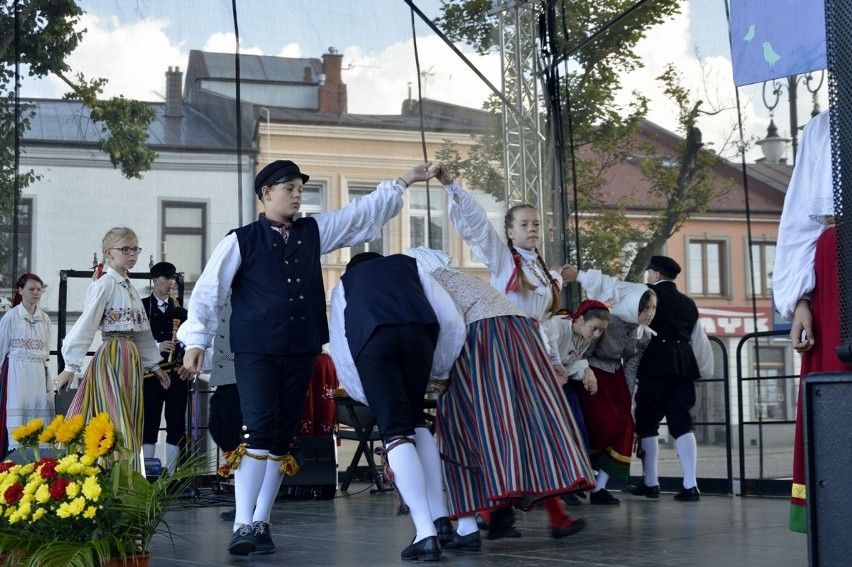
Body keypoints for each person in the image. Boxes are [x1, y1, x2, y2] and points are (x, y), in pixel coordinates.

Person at [178, 159, 434, 556]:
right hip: (257, 350)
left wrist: (403, 181)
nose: (298, 196)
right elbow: (209, 291)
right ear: (265, 194)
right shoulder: (240, 239)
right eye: (289, 189)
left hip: (300, 349)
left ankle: (261, 522)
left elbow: (359, 214)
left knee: (282, 436)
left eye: (300, 189)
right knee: (259, 430)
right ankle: (243, 523)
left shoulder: (312, 232)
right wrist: (196, 340)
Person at [403, 247, 595, 551]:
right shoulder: (463, 280)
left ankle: (472, 524)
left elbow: (449, 328)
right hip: (521, 335)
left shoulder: (431, 284)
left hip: (484, 340)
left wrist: (438, 375)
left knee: (460, 426)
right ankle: (550, 516)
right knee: (529, 422)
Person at [435, 162, 588, 539]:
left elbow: (547, 325)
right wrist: (452, 185)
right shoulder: (504, 260)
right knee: (502, 429)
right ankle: (496, 514)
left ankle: (549, 517)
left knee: (540, 429)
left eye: (536, 224)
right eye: (523, 224)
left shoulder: (546, 274)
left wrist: (555, 362)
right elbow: (475, 227)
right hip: (499, 354)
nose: (532, 229)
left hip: (531, 354)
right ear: (509, 231)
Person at [329, 251, 466, 562]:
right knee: (417, 421)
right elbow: (449, 316)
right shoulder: (410, 266)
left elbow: (341, 346)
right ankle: (440, 516)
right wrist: (441, 371)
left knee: (395, 431)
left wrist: (367, 394)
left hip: (375, 341)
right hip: (419, 336)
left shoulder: (346, 284)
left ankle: (425, 533)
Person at [772, 109, 850, 533]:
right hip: (834, 265)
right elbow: (800, 216)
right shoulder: (824, 125)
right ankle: (836, 513)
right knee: (835, 381)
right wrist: (799, 299)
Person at [55, 227, 171, 472]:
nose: (132, 254)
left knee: (128, 416)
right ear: (108, 253)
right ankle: (110, 475)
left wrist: (154, 365)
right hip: (113, 356)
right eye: (125, 249)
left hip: (131, 358)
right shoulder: (105, 284)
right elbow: (86, 324)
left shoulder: (128, 286)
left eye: (135, 249)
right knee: (114, 419)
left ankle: (127, 478)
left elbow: (142, 331)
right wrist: (70, 365)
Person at [561, 266, 658, 504]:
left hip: (616, 379)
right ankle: (574, 479)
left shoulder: (644, 335)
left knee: (625, 425)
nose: (649, 313)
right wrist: (586, 375)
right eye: (644, 308)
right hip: (591, 375)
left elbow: (632, 365)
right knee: (598, 425)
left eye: (653, 308)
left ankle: (600, 488)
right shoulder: (608, 322)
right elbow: (584, 351)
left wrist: (627, 396)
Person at [625, 256, 713, 501]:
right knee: (682, 422)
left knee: (647, 423)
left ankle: (651, 482)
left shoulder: (646, 296)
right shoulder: (688, 303)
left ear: (654, 274)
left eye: (649, 273)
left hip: (655, 364)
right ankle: (690, 484)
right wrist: (703, 370)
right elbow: (699, 340)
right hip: (685, 366)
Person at [141, 261, 188, 474]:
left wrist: (185, 362)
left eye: (172, 279)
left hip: (176, 375)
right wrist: (158, 346)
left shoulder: (180, 309)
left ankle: (171, 474)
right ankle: (146, 472)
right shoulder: (141, 307)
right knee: (148, 422)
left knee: (176, 423)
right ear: (155, 280)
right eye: (166, 278)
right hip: (149, 375)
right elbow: (135, 339)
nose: (170, 283)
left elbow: (190, 340)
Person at [0, 273, 53, 458]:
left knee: (39, 415)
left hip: (38, 373)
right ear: (20, 290)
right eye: (31, 289)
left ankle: (39, 458)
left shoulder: (44, 319)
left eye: (39, 290)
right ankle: (15, 458)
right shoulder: (11, 317)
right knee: (17, 414)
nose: (36, 293)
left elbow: (46, 350)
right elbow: (1, 348)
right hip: (17, 373)